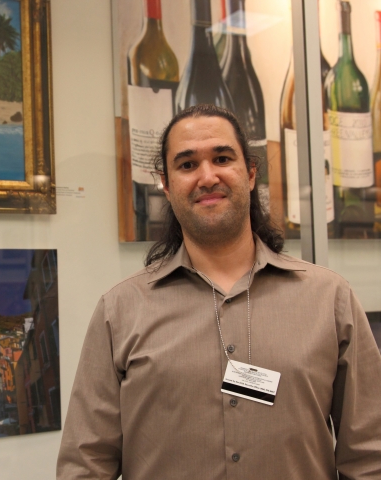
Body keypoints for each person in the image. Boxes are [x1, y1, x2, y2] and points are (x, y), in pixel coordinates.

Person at [56, 104, 381, 479]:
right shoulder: (120, 311)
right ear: (166, 184)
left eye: (222, 158)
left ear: (251, 173)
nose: (207, 177)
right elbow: (85, 465)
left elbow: (369, 455)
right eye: (187, 164)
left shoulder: (330, 299)